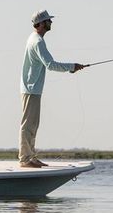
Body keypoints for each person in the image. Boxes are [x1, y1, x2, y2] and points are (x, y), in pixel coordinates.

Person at [20, 9, 84, 167]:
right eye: (48, 20)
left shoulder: (35, 38)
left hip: (32, 87)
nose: (51, 22)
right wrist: (71, 67)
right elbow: (50, 64)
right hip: (30, 87)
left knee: (33, 124)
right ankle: (25, 159)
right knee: (28, 124)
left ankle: (31, 157)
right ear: (41, 24)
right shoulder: (38, 42)